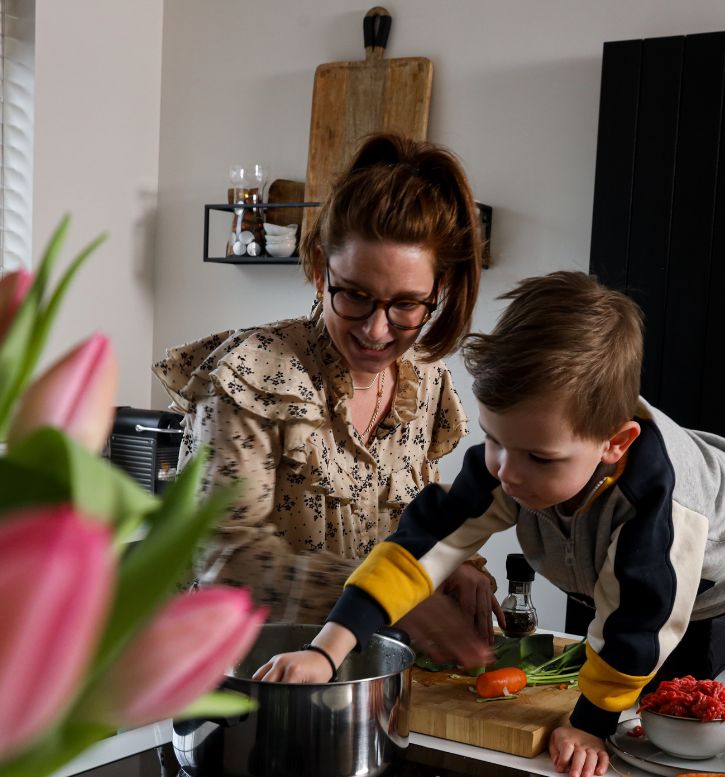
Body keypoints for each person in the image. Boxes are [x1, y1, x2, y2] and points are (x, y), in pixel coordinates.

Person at [256, 270, 725, 777]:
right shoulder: (513, 456)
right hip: (682, 574)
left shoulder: (655, 505)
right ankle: (716, 653)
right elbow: (415, 551)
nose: (507, 473)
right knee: (674, 707)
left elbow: (637, 622)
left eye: (539, 458)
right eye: (493, 441)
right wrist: (327, 649)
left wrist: (590, 725)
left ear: (616, 443)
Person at [153, 133, 501, 654]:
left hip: (354, 669)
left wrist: (451, 566)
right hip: (224, 673)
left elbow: (414, 520)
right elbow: (223, 556)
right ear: (320, 270)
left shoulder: (424, 385)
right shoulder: (252, 375)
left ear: (439, 290)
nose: (378, 331)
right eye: (355, 296)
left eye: (407, 304)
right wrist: (388, 599)